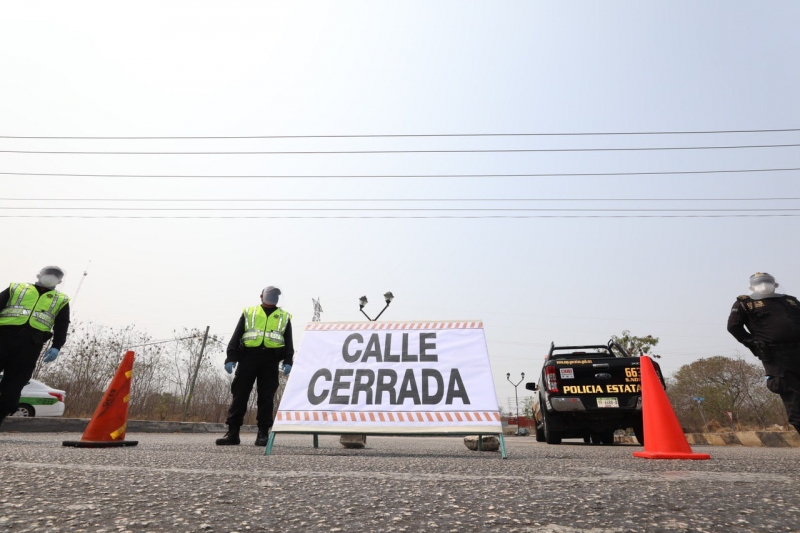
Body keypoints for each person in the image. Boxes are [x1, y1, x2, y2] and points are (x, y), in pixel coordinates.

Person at [216, 286, 293, 446]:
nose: (273, 298)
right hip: (248, 358)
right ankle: (233, 433)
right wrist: (231, 356)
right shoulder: (249, 312)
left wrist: (288, 360)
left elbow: (288, 341)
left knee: (266, 398)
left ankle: (263, 434)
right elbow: (237, 335)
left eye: (275, 296)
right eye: (271, 295)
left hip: (270, 361)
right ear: (262, 296)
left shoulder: (283, 317)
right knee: (240, 395)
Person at [727, 272, 800, 433]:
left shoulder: (790, 301)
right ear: (751, 287)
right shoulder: (745, 304)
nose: (764, 285)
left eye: (767, 282)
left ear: (775, 284)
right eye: (760, 282)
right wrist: (754, 345)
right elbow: (734, 327)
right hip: (777, 357)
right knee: (794, 399)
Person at [0, 266, 70, 428]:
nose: (51, 277)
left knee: (14, 385)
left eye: (56, 276)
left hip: (31, 343)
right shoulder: (17, 289)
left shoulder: (60, 300)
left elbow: (62, 325)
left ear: (59, 281)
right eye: (49, 274)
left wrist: (57, 346)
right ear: (39, 275)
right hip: (3, 336)